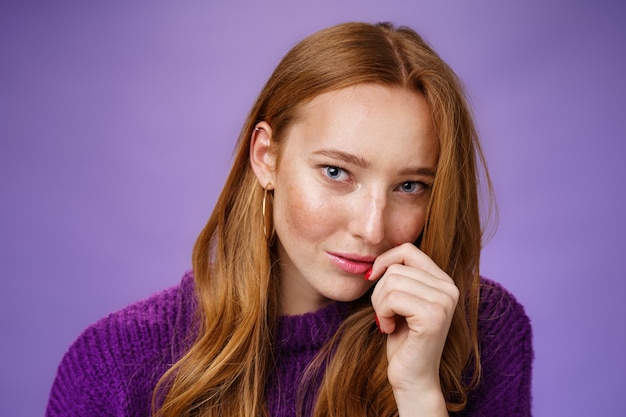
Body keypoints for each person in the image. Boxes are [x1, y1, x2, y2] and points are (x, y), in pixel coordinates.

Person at [46, 21, 533, 417]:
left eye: (410, 186)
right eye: (337, 172)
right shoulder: (115, 365)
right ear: (266, 158)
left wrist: (419, 393)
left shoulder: (479, 331)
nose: (372, 227)